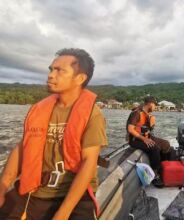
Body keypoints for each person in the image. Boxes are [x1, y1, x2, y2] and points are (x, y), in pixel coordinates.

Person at [0, 48, 108, 220]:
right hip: (35, 190)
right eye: (51, 69)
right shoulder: (38, 110)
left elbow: (89, 162)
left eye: (60, 71)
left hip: (72, 195)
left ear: (80, 78)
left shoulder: (92, 115)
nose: (51, 75)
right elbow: (22, 147)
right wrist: (3, 185)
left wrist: (63, 214)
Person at [127, 96, 171, 188]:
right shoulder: (136, 113)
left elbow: (147, 130)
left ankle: (163, 168)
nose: (155, 107)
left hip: (146, 137)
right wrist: (144, 139)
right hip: (136, 140)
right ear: (150, 104)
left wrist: (152, 126)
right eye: (155, 105)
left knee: (166, 144)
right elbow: (130, 129)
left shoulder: (147, 114)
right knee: (155, 148)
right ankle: (155, 175)